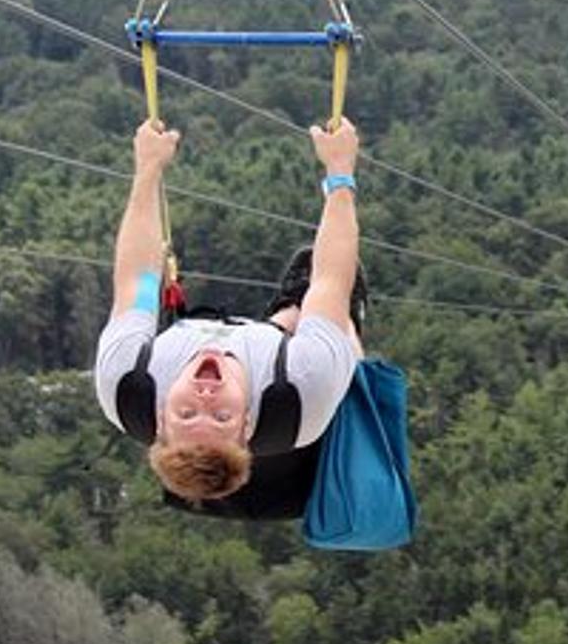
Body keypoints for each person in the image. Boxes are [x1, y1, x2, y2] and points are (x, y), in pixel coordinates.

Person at [93, 117, 365, 516]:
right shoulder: (304, 387)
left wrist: (148, 167)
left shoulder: (126, 382)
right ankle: (294, 317)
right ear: (247, 424)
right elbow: (330, 281)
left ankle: (283, 322)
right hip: (291, 401)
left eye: (186, 413)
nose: (206, 397)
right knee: (328, 314)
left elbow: (138, 279)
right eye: (221, 416)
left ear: (159, 417)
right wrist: (340, 173)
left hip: (238, 356)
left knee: (288, 325)